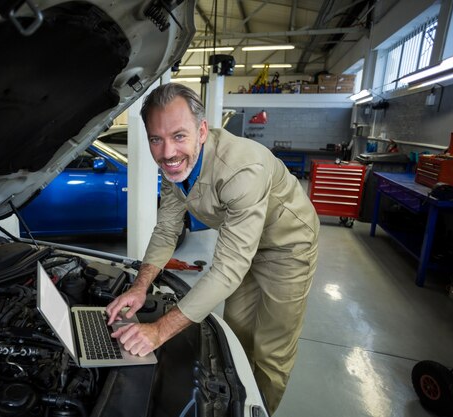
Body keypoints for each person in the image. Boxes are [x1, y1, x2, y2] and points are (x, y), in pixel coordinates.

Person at [106, 82, 319, 414]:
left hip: (287, 246)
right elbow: (166, 231)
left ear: (202, 131)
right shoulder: (176, 167)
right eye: (156, 139)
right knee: (236, 334)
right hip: (244, 241)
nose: (167, 153)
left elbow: (228, 269)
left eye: (179, 136)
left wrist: (159, 331)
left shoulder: (242, 168)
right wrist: (140, 286)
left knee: (271, 351)